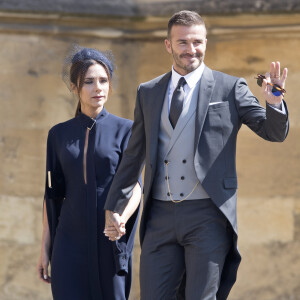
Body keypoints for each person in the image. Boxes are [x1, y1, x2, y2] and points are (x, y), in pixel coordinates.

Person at [104, 10, 289, 300]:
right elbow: (133, 154)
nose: (192, 49)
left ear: (205, 42)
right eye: (183, 43)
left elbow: (273, 133)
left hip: (207, 215)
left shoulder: (231, 87)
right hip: (159, 217)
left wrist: (274, 104)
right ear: (168, 45)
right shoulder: (148, 92)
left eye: (198, 42)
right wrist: (114, 205)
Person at [36, 46, 142, 300]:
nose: (98, 88)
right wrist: (45, 249)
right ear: (75, 87)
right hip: (68, 244)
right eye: (89, 82)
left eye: (103, 81)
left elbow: (136, 186)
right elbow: (52, 196)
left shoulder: (126, 129)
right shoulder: (58, 134)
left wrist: (121, 219)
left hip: (110, 240)